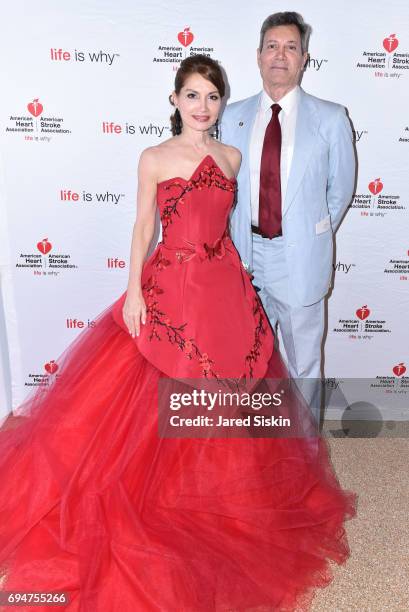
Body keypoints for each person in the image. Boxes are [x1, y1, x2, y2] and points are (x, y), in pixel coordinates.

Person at [0, 55, 356, 611]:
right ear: (174, 101)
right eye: (192, 95)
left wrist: (243, 286)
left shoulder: (232, 157)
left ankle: (226, 505)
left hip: (226, 289)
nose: (202, 106)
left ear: (221, 103)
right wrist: (136, 291)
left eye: (212, 97)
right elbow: (144, 225)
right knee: (146, 408)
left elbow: (230, 229)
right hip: (172, 289)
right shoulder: (153, 158)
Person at [221, 12, 356, 425]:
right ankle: (254, 456)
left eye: (291, 47)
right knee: (245, 366)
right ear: (259, 56)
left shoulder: (331, 118)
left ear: (304, 59)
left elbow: (340, 192)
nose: (281, 55)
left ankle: (304, 460)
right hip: (244, 259)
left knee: (302, 370)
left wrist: (303, 235)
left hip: (299, 259)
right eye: (273, 47)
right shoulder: (231, 116)